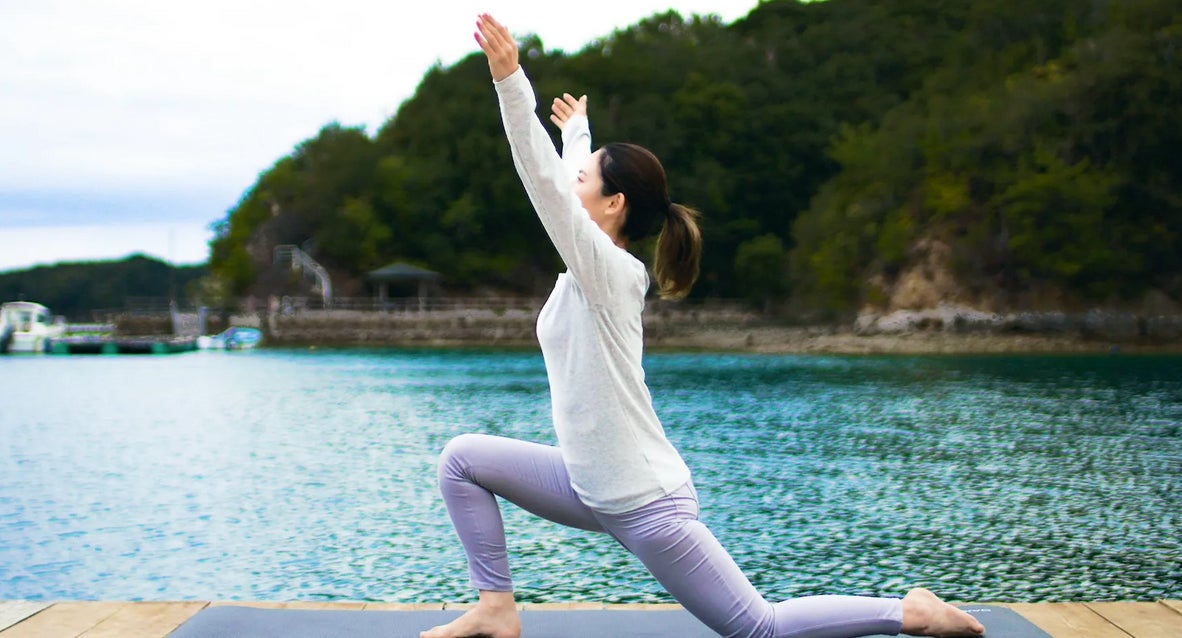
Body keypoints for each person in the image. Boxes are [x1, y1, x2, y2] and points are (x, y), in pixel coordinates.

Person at [420, 13, 987, 638]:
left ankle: (911, 612)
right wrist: (577, 133)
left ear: (614, 204)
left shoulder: (609, 271)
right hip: (588, 483)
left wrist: (510, 84)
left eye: (582, 176)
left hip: (644, 502)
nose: (568, 176)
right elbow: (567, 185)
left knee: (759, 628)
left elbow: (549, 188)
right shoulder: (592, 261)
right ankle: (496, 608)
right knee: (462, 461)